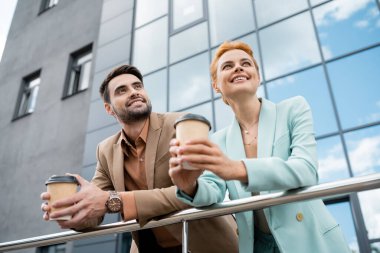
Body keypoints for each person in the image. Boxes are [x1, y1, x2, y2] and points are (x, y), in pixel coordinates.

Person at [168, 41, 350, 253]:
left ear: (257, 76)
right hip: (258, 246)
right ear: (216, 85)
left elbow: (306, 169)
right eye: (227, 66)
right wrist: (189, 185)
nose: (238, 67)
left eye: (246, 63)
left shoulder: (293, 109)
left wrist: (237, 169)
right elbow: (212, 191)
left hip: (310, 240)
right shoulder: (219, 140)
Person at [40, 64, 238, 253]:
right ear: (109, 109)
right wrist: (74, 214)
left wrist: (116, 201)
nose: (134, 92)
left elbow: (204, 190)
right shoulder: (105, 150)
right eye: (121, 90)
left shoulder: (181, 125)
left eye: (137, 86)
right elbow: (97, 207)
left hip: (203, 244)